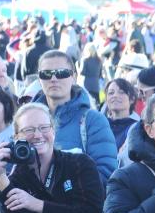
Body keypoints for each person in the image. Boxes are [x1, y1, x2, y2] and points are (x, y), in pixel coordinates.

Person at [33, 50, 117, 184]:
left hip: (76, 202)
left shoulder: (93, 120)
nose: (54, 79)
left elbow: (106, 175)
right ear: (39, 79)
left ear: (74, 77)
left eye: (62, 73)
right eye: (46, 74)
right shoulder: (27, 120)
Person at [102, 78, 139, 151]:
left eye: (121, 92)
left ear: (132, 99)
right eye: (111, 93)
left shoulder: (136, 128)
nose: (115, 96)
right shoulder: (101, 125)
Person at [78, 43, 103, 108]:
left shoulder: (85, 60)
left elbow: (82, 72)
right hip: (96, 85)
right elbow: (100, 74)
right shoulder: (99, 60)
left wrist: (77, 67)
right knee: (97, 104)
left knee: (88, 103)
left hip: (87, 84)